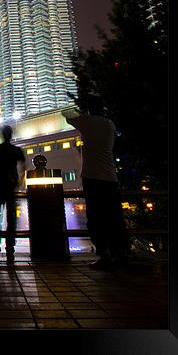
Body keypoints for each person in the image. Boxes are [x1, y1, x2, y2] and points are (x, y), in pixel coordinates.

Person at [63, 97, 129, 270]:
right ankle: (120, 253)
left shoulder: (87, 121)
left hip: (92, 176)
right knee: (114, 216)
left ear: (90, 109)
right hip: (111, 176)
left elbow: (66, 114)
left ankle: (104, 255)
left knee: (96, 217)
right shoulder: (109, 124)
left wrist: (82, 112)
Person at [0, 124, 26, 263]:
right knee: (11, 220)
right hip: (10, 187)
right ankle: (10, 250)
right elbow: (23, 167)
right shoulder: (16, 150)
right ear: (11, 135)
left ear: (1, 135)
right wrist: (20, 182)